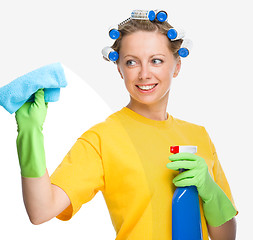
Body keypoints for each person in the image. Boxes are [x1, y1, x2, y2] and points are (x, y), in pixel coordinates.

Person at [15, 12, 238, 240]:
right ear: (119, 69)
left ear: (177, 66)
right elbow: (41, 210)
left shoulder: (199, 136)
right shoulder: (103, 139)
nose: (144, 74)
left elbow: (226, 236)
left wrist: (211, 193)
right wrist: (29, 134)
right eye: (131, 62)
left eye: (156, 60)